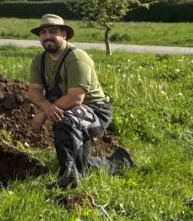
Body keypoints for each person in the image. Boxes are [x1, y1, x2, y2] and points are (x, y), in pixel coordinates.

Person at [27, 14, 132, 189]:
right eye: (43, 33)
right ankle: (120, 162)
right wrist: (45, 107)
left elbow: (76, 97)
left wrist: (44, 113)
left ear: (64, 35)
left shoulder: (76, 58)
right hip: (69, 109)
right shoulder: (39, 60)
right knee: (81, 163)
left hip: (96, 110)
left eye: (53, 32)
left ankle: (67, 180)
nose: (47, 36)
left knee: (65, 121)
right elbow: (33, 91)